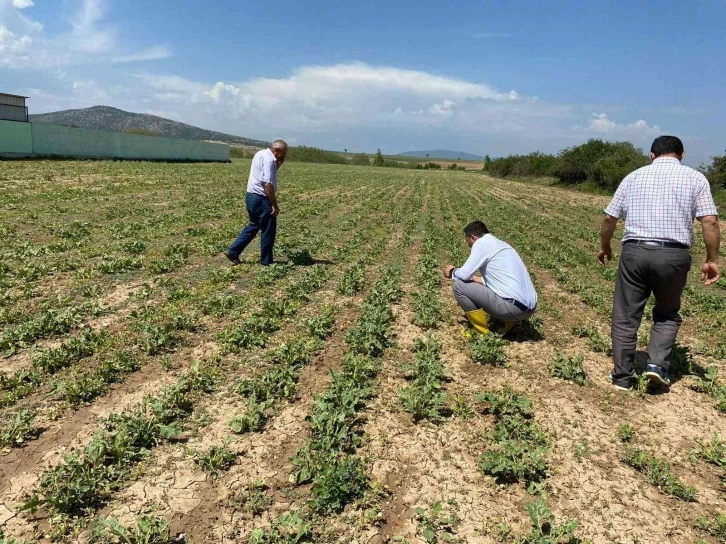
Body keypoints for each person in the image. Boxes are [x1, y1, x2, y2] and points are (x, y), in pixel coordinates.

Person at [599, 135, 721, 391]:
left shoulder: (633, 177)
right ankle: (656, 365)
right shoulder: (696, 178)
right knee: (667, 313)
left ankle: (622, 378)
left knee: (625, 316)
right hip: (674, 255)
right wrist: (712, 259)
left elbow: (610, 218)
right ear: (682, 154)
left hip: (634, 252)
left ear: (652, 154)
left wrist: (605, 246)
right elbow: (709, 221)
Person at [443, 221, 538, 335]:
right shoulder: (502, 245)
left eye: (468, 242)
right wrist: (481, 280)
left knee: (459, 286)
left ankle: (480, 332)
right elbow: (506, 278)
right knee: (499, 289)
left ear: (473, 238)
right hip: (530, 308)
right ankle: (513, 324)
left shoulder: (481, 243)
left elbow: (464, 274)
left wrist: (453, 271)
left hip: (513, 309)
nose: (469, 245)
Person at [224, 140, 288, 266]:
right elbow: (268, 184)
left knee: (254, 225)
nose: (284, 157)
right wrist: (274, 205)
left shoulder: (260, 154)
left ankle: (233, 251)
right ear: (277, 151)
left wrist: (278, 166)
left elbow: (263, 174)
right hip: (261, 198)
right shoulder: (269, 160)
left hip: (251, 196)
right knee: (269, 229)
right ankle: (266, 261)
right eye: (283, 154)